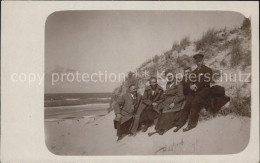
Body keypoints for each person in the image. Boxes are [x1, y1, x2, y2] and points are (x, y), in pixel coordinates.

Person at [182, 53, 213, 132]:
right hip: (195, 90)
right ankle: (180, 122)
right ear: (195, 62)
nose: (198, 62)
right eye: (197, 61)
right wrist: (191, 86)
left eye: (200, 60)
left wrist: (196, 86)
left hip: (205, 89)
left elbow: (206, 80)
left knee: (195, 102)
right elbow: (189, 80)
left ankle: (191, 124)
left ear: (203, 60)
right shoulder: (194, 71)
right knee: (188, 102)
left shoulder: (208, 70)